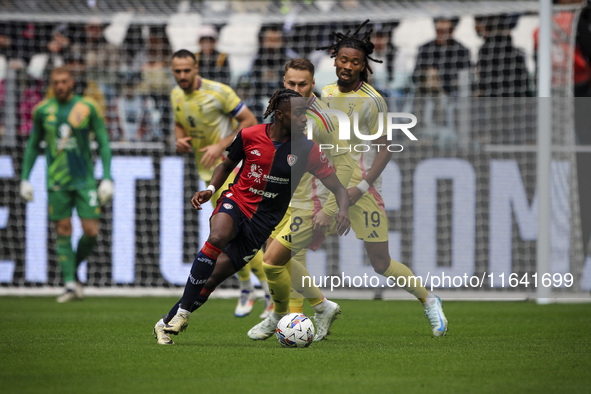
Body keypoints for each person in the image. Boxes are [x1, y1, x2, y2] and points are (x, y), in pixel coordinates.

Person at [153, 89, 352, 345]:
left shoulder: (308, 150)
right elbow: (226, 165)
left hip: (261, 225)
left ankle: (165, 322)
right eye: (299, 114)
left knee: (212, 278)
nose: (305, 119)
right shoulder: (249, 135)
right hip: (236, 202)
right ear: (280, 115)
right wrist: (211, 189)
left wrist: (343, 210)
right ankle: (182, 314)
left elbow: (339, 189)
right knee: (218, 236)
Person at [317, 19, 448, 336]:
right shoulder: (323, 94)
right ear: (335, 58)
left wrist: (360, 189)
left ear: (364, 66)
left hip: (362, 192)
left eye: (355, 62)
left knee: (380, 262)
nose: (348, 66)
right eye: (344, 60)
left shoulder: (373, 101)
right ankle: (305, 313)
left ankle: (429, 300)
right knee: (288, 247)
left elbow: (386, 149)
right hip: (327, 188)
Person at [247, 58, 357, 342]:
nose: (297, 89)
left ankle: (278, 317)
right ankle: (321, 307)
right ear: (284, 83)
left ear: (312, 85)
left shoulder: (325, 120)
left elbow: (345, 166)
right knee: (279, 261)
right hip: (280, 201)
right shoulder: (281, 113)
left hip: (311, 205)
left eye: (303, 85)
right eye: (291, 84)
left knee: (271, 262)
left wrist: (330, 209)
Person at [169, 49, 271, 318]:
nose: (182, 76)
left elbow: (250, 123)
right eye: (177, 71)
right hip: (207, 174)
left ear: (196, 67)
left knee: (232, 236)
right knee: (226, 239)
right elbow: (180, 124)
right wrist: (179, 140)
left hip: (231, 170)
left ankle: (267, 291)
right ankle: (249, 288)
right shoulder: (176, 96)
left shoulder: (220, 92)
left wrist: (220, 145)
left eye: (186, 70)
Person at [19, 66, 114, 302]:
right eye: (55, 82)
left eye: (64, 81)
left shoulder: (87, 107)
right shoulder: (42, 110)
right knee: (63, 230)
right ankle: (71, 284)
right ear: (51, 84)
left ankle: (72, 270)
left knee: (91, 232)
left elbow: (103, 141)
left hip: (85, 180)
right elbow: (33, 145)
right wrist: (24, 178)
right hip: (57, 181)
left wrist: (108, 176)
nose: (60, 86)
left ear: (72, 82)